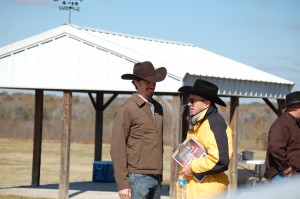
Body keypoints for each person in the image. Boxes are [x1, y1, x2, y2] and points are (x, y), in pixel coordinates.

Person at [110, 61, 167, 199]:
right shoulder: (126, 110)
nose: (152, 85)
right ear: (136, 83)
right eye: (147, 82)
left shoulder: (158, 108)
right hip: (137, 178)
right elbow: (117, 149)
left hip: (157, 177)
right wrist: (123, 184)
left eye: (154, 81)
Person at [177, 79, 233, 199]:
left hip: (207, 193)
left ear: (206, 103)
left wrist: (192, 167)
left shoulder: (215, 123)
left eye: (192, 100)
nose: (189, 104)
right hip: (196, 191)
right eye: (188, 100)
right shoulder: (199, 123)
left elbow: (220, 160)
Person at [264, 91, 300, 183]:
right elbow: (275, 148)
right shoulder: (282, 124)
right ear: (296, 107)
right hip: (283, 176)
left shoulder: (295, 123)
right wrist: (286, 169)